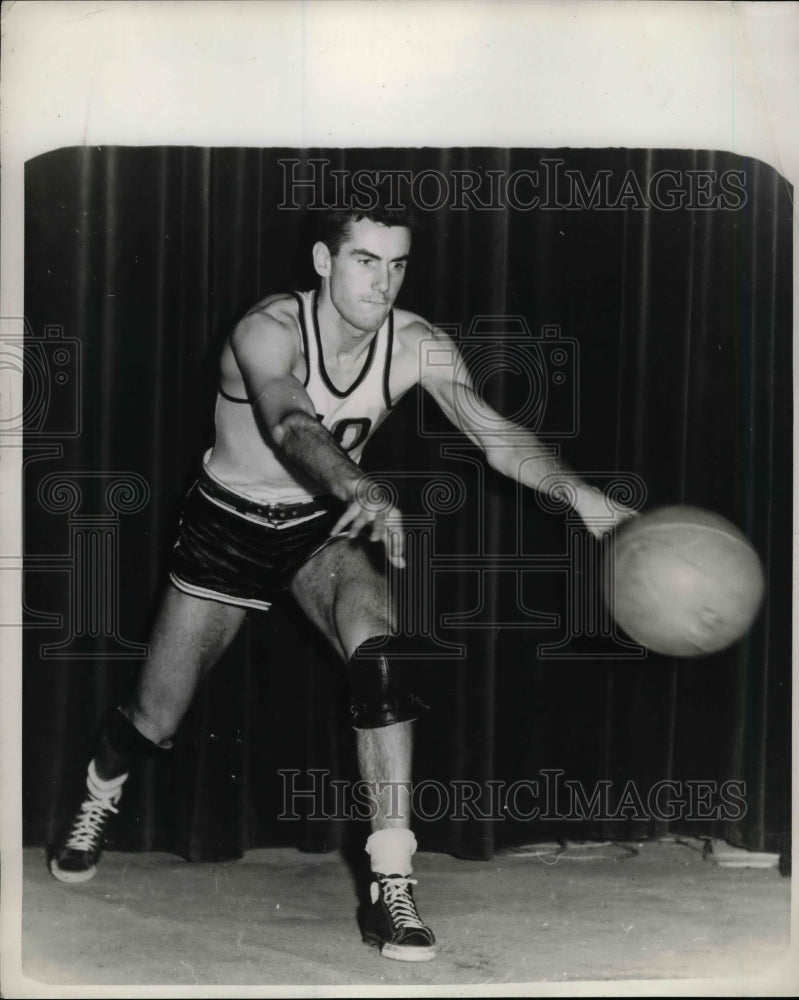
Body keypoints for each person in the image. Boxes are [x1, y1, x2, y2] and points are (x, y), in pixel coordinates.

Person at [49, 199, 634, 962]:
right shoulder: (267, 330)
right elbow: (293, 424)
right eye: (365, 261)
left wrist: (581, 497)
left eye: (397, 265)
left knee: (381, 656)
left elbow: (493, 434)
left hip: (316, 537)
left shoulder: (414, 344)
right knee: (154, 719)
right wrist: (357, 486)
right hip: (226, 528)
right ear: (325, 262)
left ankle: (391, 884)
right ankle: (101, 790)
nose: (382, 283)